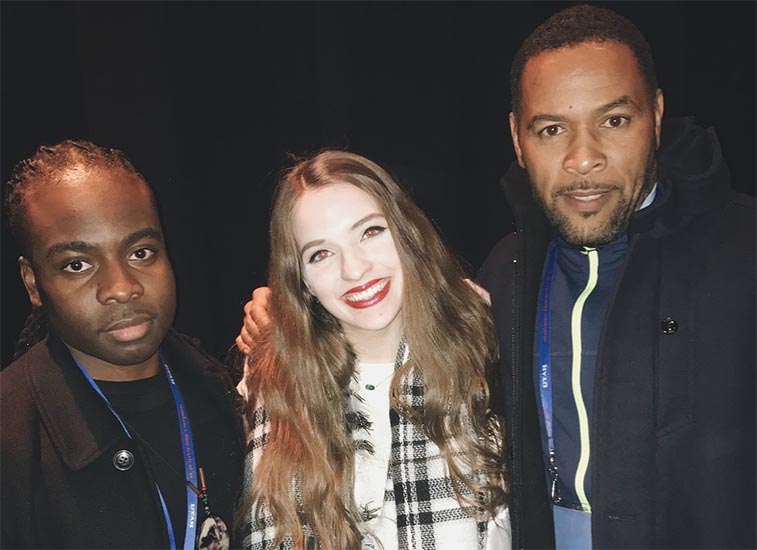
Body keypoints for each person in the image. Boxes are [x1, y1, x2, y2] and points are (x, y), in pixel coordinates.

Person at [238, 5, 756, 549]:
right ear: (517, 138)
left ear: (655, 113)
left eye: (614, 120)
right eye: (552, 129)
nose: (583, 158)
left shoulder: (740, 252)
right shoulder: (507, 278)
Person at [237, 150, 510, 550]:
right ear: (303, 281)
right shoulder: (276, 372)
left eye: (370, 232)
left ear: (406, 231)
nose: (354, 269)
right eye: (321, 253)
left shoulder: (484, 334)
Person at [1, 140, 244, 549]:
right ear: (33, 282)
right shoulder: (12, 442)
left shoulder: (226, 394)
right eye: (77, 264)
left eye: (141, 252)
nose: (122, 288)